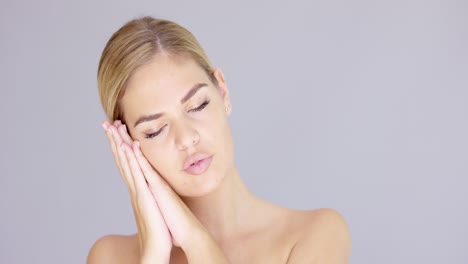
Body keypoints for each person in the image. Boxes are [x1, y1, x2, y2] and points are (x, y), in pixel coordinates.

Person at [87, 16, 351, 264]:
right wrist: (155, 252)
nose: (187, 138)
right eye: (155, 130)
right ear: (124, 141)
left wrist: (194, 238)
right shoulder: (111, 256)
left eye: (198, 105)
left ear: (223, 92)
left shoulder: (314, 234)